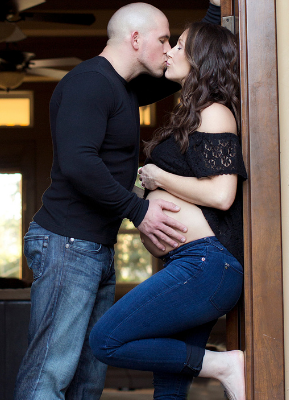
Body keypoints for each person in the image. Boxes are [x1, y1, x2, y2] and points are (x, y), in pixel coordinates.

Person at [13, 2, 222, 400]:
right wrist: (139, 210)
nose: (168, 49)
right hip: (67, 244)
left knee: (88, 381)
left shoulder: (123, 88)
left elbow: (180, 70)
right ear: (136, 38)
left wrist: (214, 11)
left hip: (92, 248)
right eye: (164, 40)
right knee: (49, 375)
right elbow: (79, 163)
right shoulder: (89, 82)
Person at [89, 20, 247, 400]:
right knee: (170, 389)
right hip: (192, 264)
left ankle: (224, 365)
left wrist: (158, 176)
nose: (169, 52)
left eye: (178, 45)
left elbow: (222, 194)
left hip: (206, 265)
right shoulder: (193, 113)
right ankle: (219, 365)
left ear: (202, 59)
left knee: (105, 340)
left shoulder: (215, 113)